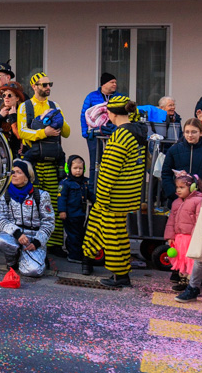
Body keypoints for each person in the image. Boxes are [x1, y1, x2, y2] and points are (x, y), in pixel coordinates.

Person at [83, 96, 146, 288]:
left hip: (113, 197)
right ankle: (94, 259)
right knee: (117, 234)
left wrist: (100, 197)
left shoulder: (120, 136)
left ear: (111, 113)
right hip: (128, 195)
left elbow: (109, 171)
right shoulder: (137, 132)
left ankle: (119, 276)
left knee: (113, 236)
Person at [18, 71, 70, 254]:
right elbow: (23, 132)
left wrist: (59, 119)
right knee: (33, 204)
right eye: (44, 85)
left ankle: (55, 245)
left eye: (50, 84)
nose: (48, 88)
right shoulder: (25, 107)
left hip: (53, 164)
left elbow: (67, 133)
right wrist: (43, 132)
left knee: (55, 205)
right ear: (34, 87)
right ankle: (33, 241)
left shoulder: (55, 105)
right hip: (33, 165)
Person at [0, 159, 56, 278]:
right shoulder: (4, 194)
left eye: (18, 172)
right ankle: (12, 261)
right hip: (14, 235)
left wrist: (37, 242)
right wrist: (17, 233)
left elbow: (49, 222)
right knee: (1, 241)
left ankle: (33, 257)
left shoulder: (41, 195)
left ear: (27, 176)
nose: (14, 175)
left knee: (33, 271)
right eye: (12, 172)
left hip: (33, 237)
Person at [165, 171, 202, 295]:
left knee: (191, 260)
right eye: (177, 187)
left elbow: (200, 221)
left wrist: (196, 237)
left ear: (193, 187)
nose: (178, 190)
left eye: (182, 187)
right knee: (181, 259)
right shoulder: (176, 202)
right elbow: (171, 221)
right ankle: (183, 279)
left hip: (191, 238)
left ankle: (191, 281)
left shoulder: (199, 200)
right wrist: (170, 236)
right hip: (179, 238)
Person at [161, 118, 202, 206]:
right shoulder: (174, 150)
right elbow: (166, 173)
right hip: (178, 199)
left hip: (201, 200)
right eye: (187, 132)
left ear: (201, 133)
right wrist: (173, 193)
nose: (190, 135)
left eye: (194, 132)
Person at [58, 155, 93, 265]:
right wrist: (62, 211)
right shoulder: (65, 183)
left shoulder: (85, 182)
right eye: (75, 168)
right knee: (73, 235)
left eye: (80, 168)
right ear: (69, 168)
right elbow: (61, 198)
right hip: (70, 214)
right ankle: (74, 256)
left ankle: (74, 250)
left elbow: (90, 195)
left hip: (81, 214)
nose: (78, 171)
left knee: (79, 234)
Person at [81, 72, 119, 171]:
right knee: (95, 162)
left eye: (115, 82)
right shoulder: (92, 96)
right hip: (93, 134)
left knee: (112, 162)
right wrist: (85, 132)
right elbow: (84, 114)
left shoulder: (119, 97)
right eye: (112, 82)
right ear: (104, 84)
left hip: (113, 134)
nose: (115, 84)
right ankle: (93, 185)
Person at [0, 80, 26, 158]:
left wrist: (13, 117)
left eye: (9, 95)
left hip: (17, 154)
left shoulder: (23, 113)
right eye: (4, 95)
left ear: (17, 98)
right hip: (1, 153)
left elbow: (20, 135)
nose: (6, 98)